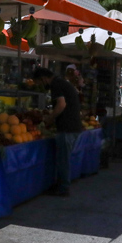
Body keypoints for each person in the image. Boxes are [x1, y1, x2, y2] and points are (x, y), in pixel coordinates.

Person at [33, 67, 83, 196]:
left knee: (63, 160)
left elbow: (61, 104)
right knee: (63, 158)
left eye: (39, 82)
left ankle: (63, 188)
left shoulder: (56, 85)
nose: (41, 85)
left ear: (43, 78)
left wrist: (50, 118)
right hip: (73, 126)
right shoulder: (62, 82)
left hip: (67, 127)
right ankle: (61, 184)